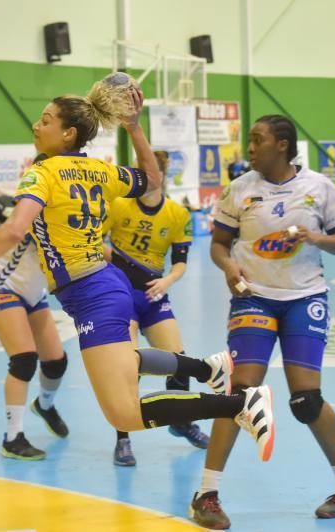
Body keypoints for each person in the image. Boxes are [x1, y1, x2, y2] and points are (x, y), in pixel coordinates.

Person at [0, 75, 275, 465]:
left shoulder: (43, 173)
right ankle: (208, 368)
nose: (37, 126)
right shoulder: (100, 172)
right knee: (126, 362)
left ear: (68, 133)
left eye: (46, 119)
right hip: (108, 286)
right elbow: (152, 180)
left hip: (92, 295)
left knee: (123, 412)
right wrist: (134, 127)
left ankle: (240, 405)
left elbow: (15, 229)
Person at [189, 115, 335, 529]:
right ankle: (206, 495)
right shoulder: (240, 189)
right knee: (240, 394)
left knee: (306, 402)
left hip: (305, 298)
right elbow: (217, 244)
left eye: (257, 140)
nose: (249, 147)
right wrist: (229, 268)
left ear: (282, 144)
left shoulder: (319, 187)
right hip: (255, 298)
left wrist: (315, 238)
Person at [103, 150, 209, 466]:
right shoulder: (119, 205)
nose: (146, 177)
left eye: (151, 172)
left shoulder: (177, 214)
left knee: (179, 358)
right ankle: (123, 439)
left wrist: (167, 282)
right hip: (122, 295)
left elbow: (180, 263)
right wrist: (114, 262)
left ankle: (181, 422)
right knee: (128, 365)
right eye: (141, 170)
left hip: (153, 294)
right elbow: (92, 238)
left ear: (161, 175)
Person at [0, 223, 70, 460]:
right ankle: (12, 438)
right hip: (1, 286)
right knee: (24, 359)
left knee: (56, 362)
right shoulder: (36, 207)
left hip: (33, 292)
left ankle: (45, 405)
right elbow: (8, 232)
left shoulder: (76, 211)